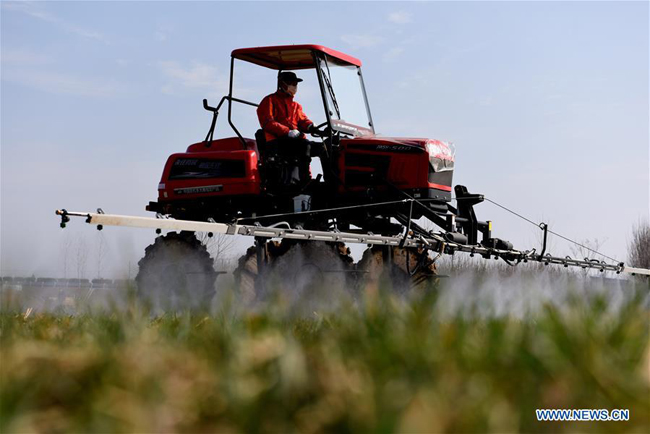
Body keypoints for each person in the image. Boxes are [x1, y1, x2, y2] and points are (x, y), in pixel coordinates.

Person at [257, 71, 323, 184]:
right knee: (305, 145)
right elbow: (267, 122)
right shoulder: (269, 101)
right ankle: (305, 181)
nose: (294, 86)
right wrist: (287, 132)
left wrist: (311, 126)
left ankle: (332, 183)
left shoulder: (295, 106)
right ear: (282, 84)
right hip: (276, 142)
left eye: (296, 84)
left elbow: (302, 120)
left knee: (324, 148)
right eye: (291, 83)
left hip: (293, 141)